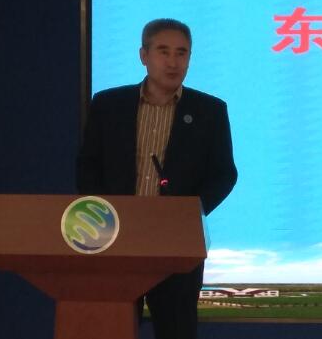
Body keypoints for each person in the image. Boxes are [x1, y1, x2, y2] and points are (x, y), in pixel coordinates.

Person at [76, 18, 237, 339]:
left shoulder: (210, 111)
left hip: (176, 244)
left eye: (182, 53)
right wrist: (105, 215)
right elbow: (88, 166)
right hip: (116, 240)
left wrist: (189, 212)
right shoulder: (108, 105)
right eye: (164, 51)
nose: (173, 62)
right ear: (143, 55)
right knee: (111, 328)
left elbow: (224, 174)